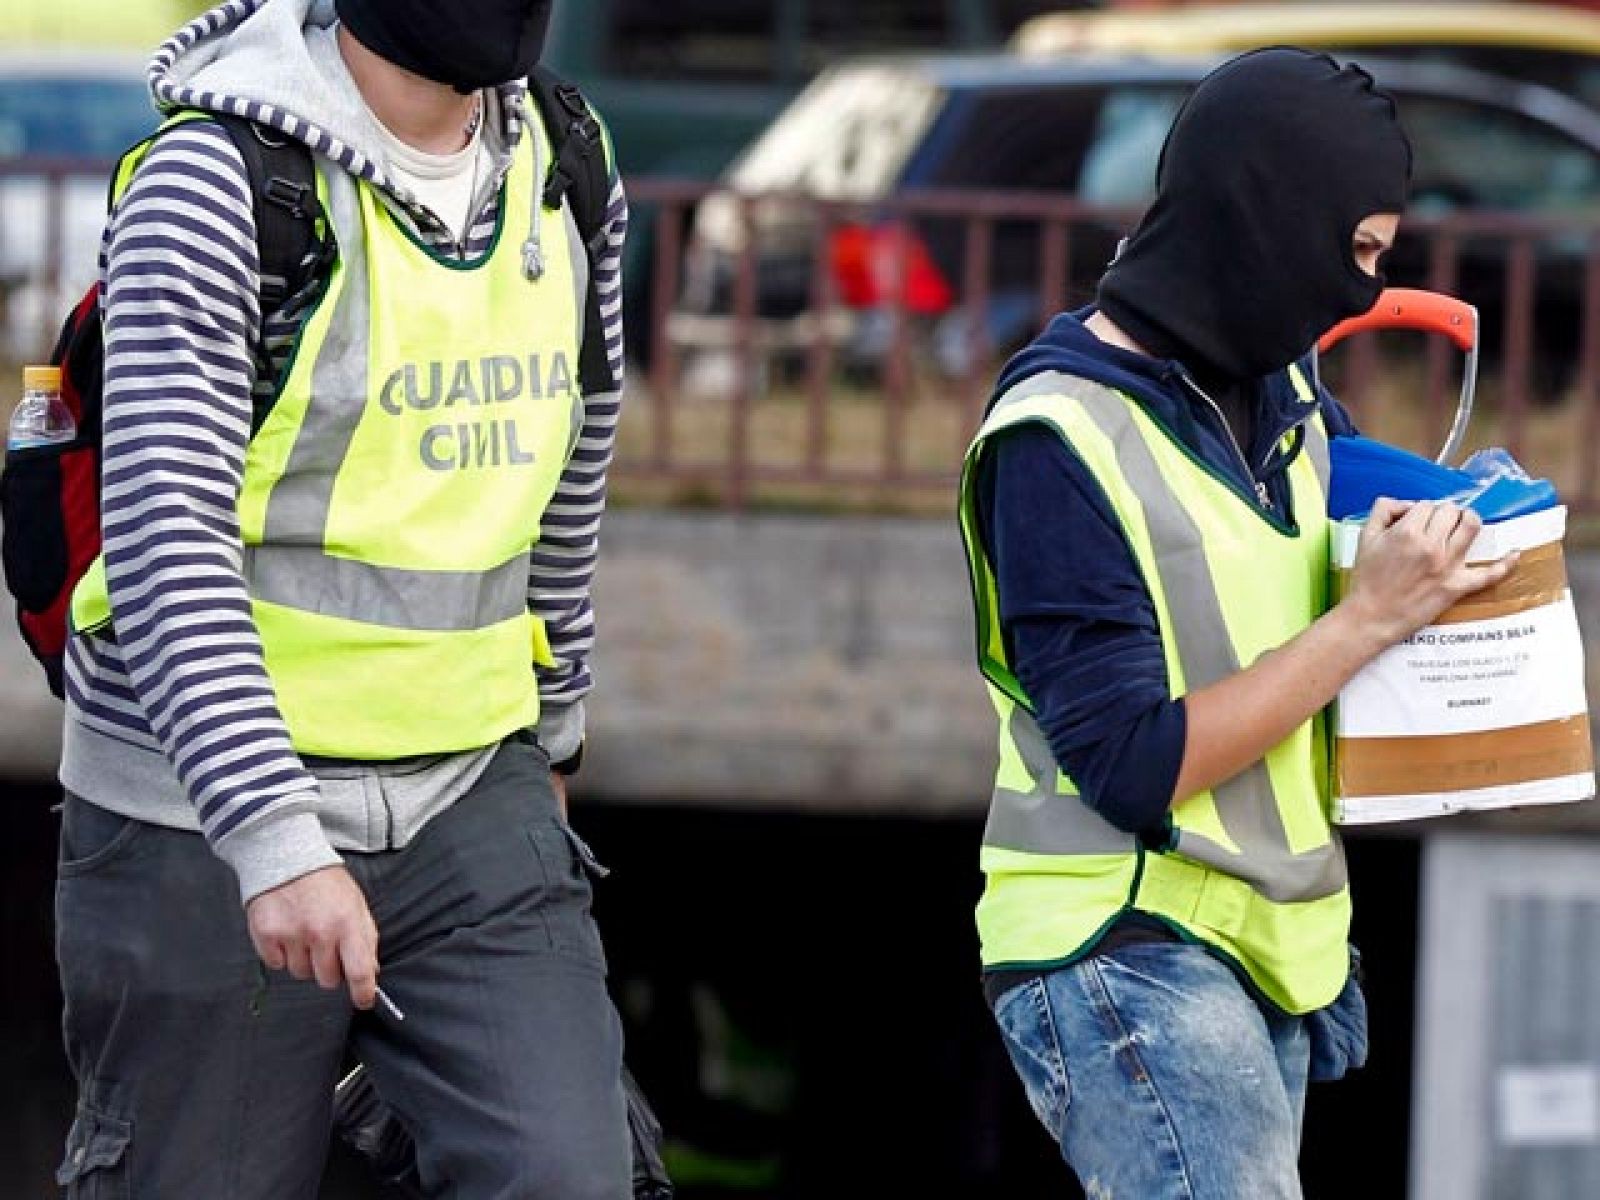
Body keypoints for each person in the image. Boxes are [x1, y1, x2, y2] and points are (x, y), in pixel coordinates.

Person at [52, 0, 632, 1195]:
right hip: (201, 818)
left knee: (569, 1174)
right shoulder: (215, 185)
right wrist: (275, 843)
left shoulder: (568, 164)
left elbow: (576, 462)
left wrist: (557, 720)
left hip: (473, 786)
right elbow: (166, 543)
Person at [956, 48, 1516, 1197]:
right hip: (1121, 948)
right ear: (1269, 218)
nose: (1361, 294)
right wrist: (1368, 618)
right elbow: (1129, 762)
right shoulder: (1055, 441)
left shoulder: (1281, 395)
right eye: (1354, 251)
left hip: (1274, 951)